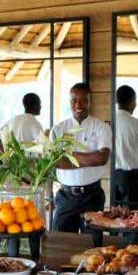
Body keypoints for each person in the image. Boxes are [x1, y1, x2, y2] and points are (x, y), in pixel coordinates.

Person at [50, 83, 112, 233]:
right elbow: (56, 162)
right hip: (65, 197)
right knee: (60, 242)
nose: (78, 104)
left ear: (90, 101)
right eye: (74, 100)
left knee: (92, 245)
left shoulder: (101, 127)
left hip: (92, 196)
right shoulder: (58, 129)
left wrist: (69, 157)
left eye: (84, 100)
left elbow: (102, 158)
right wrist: (90, 157)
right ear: (69, 102)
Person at [112, 85, 138, 209]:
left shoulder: (107, 123)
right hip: (133, 179)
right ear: (132, 103)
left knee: (115, 216)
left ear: (117, 101)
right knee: (135, 217)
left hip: (113, 177)